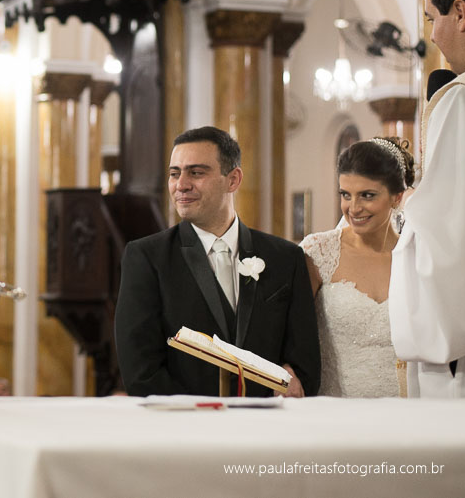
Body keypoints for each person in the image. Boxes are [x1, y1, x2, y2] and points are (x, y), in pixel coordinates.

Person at [114, 126, 320, 397]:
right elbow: (140, 373)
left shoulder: (286, 258)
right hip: (184, 420)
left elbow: (305, 364)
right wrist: (201, 415)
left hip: (267, 420)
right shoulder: (146, 257)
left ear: (232, 180)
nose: (181, 184)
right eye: (174, 173)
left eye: (196, 173)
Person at [391, 0, 465, 397]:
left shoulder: (459, 101)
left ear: (460, 13)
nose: (434, 36)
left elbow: (445, 237)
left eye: (431, 18)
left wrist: (406, 210)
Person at [301, 138, 413, 397]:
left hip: (405, 408)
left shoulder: (416, 257)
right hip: (335, 407)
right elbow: (291, 336)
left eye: (367, 195)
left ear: (396, 197)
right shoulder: (318, 252)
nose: (354, 208)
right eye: (345, 195)